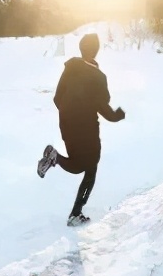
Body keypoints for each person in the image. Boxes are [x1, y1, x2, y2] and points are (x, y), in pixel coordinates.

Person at [36, 32, 125, 226]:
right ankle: (76, 214)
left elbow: (57, 98)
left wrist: (70, 113)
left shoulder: (70, 68)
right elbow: (104, 107)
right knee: (89, 169)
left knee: (78, 163)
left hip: (66, 124)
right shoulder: (99, 77)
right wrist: (118, 115)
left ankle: (55, 157)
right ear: (96, 51)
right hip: (87, 129)